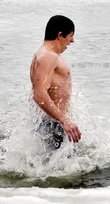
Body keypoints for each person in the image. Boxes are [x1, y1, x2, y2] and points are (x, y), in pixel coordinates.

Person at [30, 15, 82, 149]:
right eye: (70, 36)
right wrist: (64, 120)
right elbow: (39, 94)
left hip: (51, 122)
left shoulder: (42, 54)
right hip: (53, 124)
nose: (72, 40)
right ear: (60, 35)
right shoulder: (48, 56)